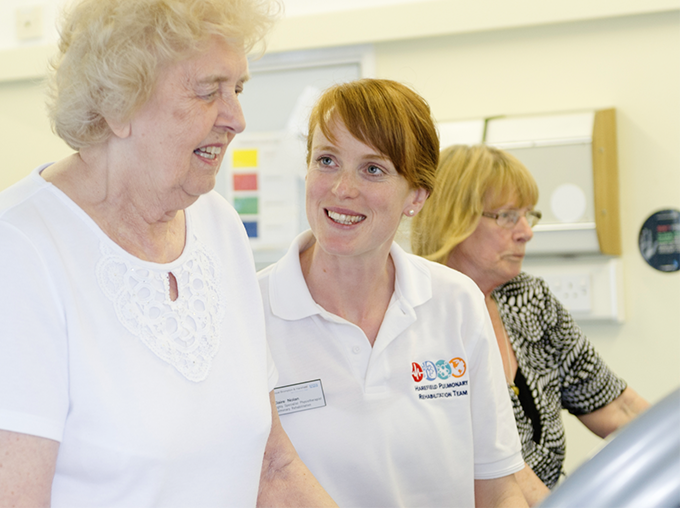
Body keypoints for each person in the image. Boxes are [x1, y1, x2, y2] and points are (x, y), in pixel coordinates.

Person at [0, 0, 338, 508]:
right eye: (207, 91)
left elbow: (270, 465)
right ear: (118, 103)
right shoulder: (17, 247)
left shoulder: (217, 226)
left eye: (237, 88)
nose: (237, 118)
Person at [260, 79, 528, 508]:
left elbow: (497, 489)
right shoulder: (251, 313)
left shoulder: (455, 303)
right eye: (326, 160)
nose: (343, 188)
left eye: (373, 169)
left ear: (416, 196)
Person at [410, 144, 650, 505]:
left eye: (527, 215)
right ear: (452, 219)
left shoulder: (529, 301)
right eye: (507, 216)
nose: (526, 232)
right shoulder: (418, 321)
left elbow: (618, 407)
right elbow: (499, 469)